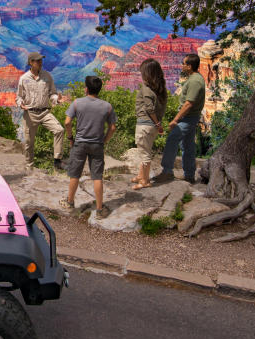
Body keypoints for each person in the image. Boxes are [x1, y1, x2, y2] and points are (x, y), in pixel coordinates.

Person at [61, 76, 117, 216]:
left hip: (80, 143)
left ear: (86, 89)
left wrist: (70, 138)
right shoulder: (107, 106)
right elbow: (113, 127)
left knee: (75, 174)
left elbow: (67, 123)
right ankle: (99, 209)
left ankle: (70, 202)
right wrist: (104, 141)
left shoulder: (77, 103)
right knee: (97, 176)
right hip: (97, 144)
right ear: (99, 90)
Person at [154, 53, 205, 183]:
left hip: (188, 118)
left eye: (184, 63)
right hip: (190, 117)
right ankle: (189, 175)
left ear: (189, 66)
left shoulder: (195, 81)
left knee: (172, 139)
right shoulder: (195, 78)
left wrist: (176, 119)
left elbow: (189, 103)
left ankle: (167, 171)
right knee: (187, 145)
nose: (181, 66)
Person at [16, 51, 63, 170]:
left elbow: (52, 93)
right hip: (30, 113)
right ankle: (29, 166)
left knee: (59, 130)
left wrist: (57, 99)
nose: (41, 62)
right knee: (28, 142)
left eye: (41, 60)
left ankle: (57, 160)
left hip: (45, 112)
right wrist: (20, 104)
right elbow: (19, 96)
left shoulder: (47, 76)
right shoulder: (24, 79)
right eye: (38, 61)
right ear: (31, 63)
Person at [130, 58, 168, 190]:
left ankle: (145, 181)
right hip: (152, 126)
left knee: (145, 154)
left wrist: (157, 124)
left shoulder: (146, 89)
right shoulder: (161, 90)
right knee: (144, 151)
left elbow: (149, 108)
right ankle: (141, 175)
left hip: (145, 125)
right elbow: (160, 109)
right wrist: (158, 124)